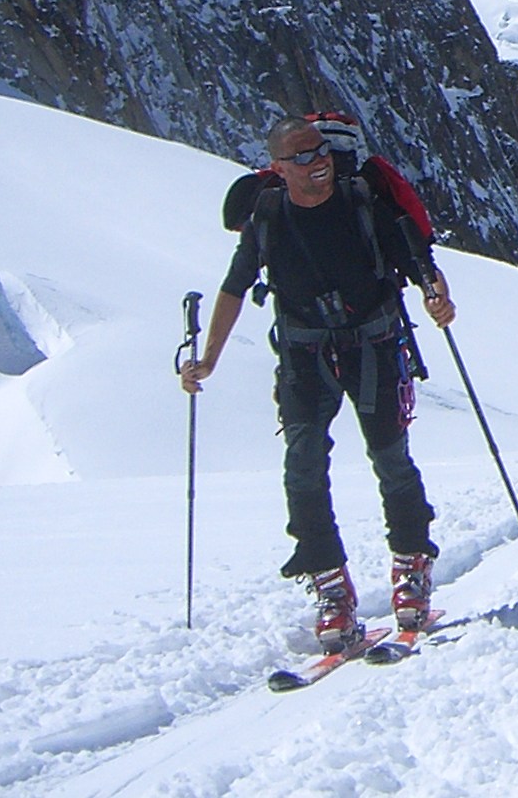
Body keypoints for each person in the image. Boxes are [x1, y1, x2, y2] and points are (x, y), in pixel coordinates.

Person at [178, 115, 455, 648]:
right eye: (302, 156)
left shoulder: (362, 202)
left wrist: (437, 296)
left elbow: (418, 261)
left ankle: (409, 572)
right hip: (307, 355)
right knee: (302, 469)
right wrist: (208, 360)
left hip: (370, 347)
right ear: (279, 167)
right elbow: (235, 286)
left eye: (320, 151)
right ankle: (334, 592)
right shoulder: (267, 216)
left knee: (390, 458)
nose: (317, 163)